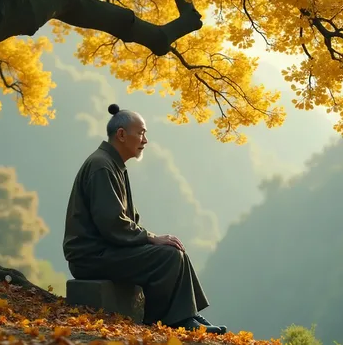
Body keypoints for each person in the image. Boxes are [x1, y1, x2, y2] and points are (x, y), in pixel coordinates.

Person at [63, 104, 227, 333]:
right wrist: (151, 238)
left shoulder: (113, 165)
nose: (145, 140)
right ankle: (170, 321)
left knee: (175, 250)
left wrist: (154, 239)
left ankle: (188, 314)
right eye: (140, 133)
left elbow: (122, 221)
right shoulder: (101, 166)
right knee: (168, 256)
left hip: (106, 250)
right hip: (90, 256)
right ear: (121, 135)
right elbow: (112, 223)